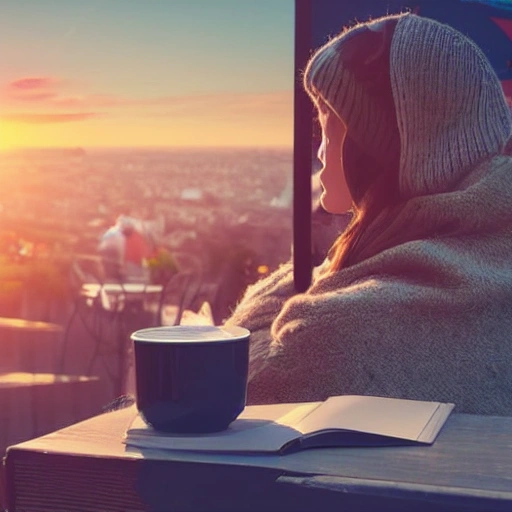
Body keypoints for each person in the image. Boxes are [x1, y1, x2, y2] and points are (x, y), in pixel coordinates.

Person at [225, 12, 512, 415]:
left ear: (380, 139)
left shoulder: (340, 332)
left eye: (327, 123)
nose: (320, 151)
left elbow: (234, 386)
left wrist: (321, 270)